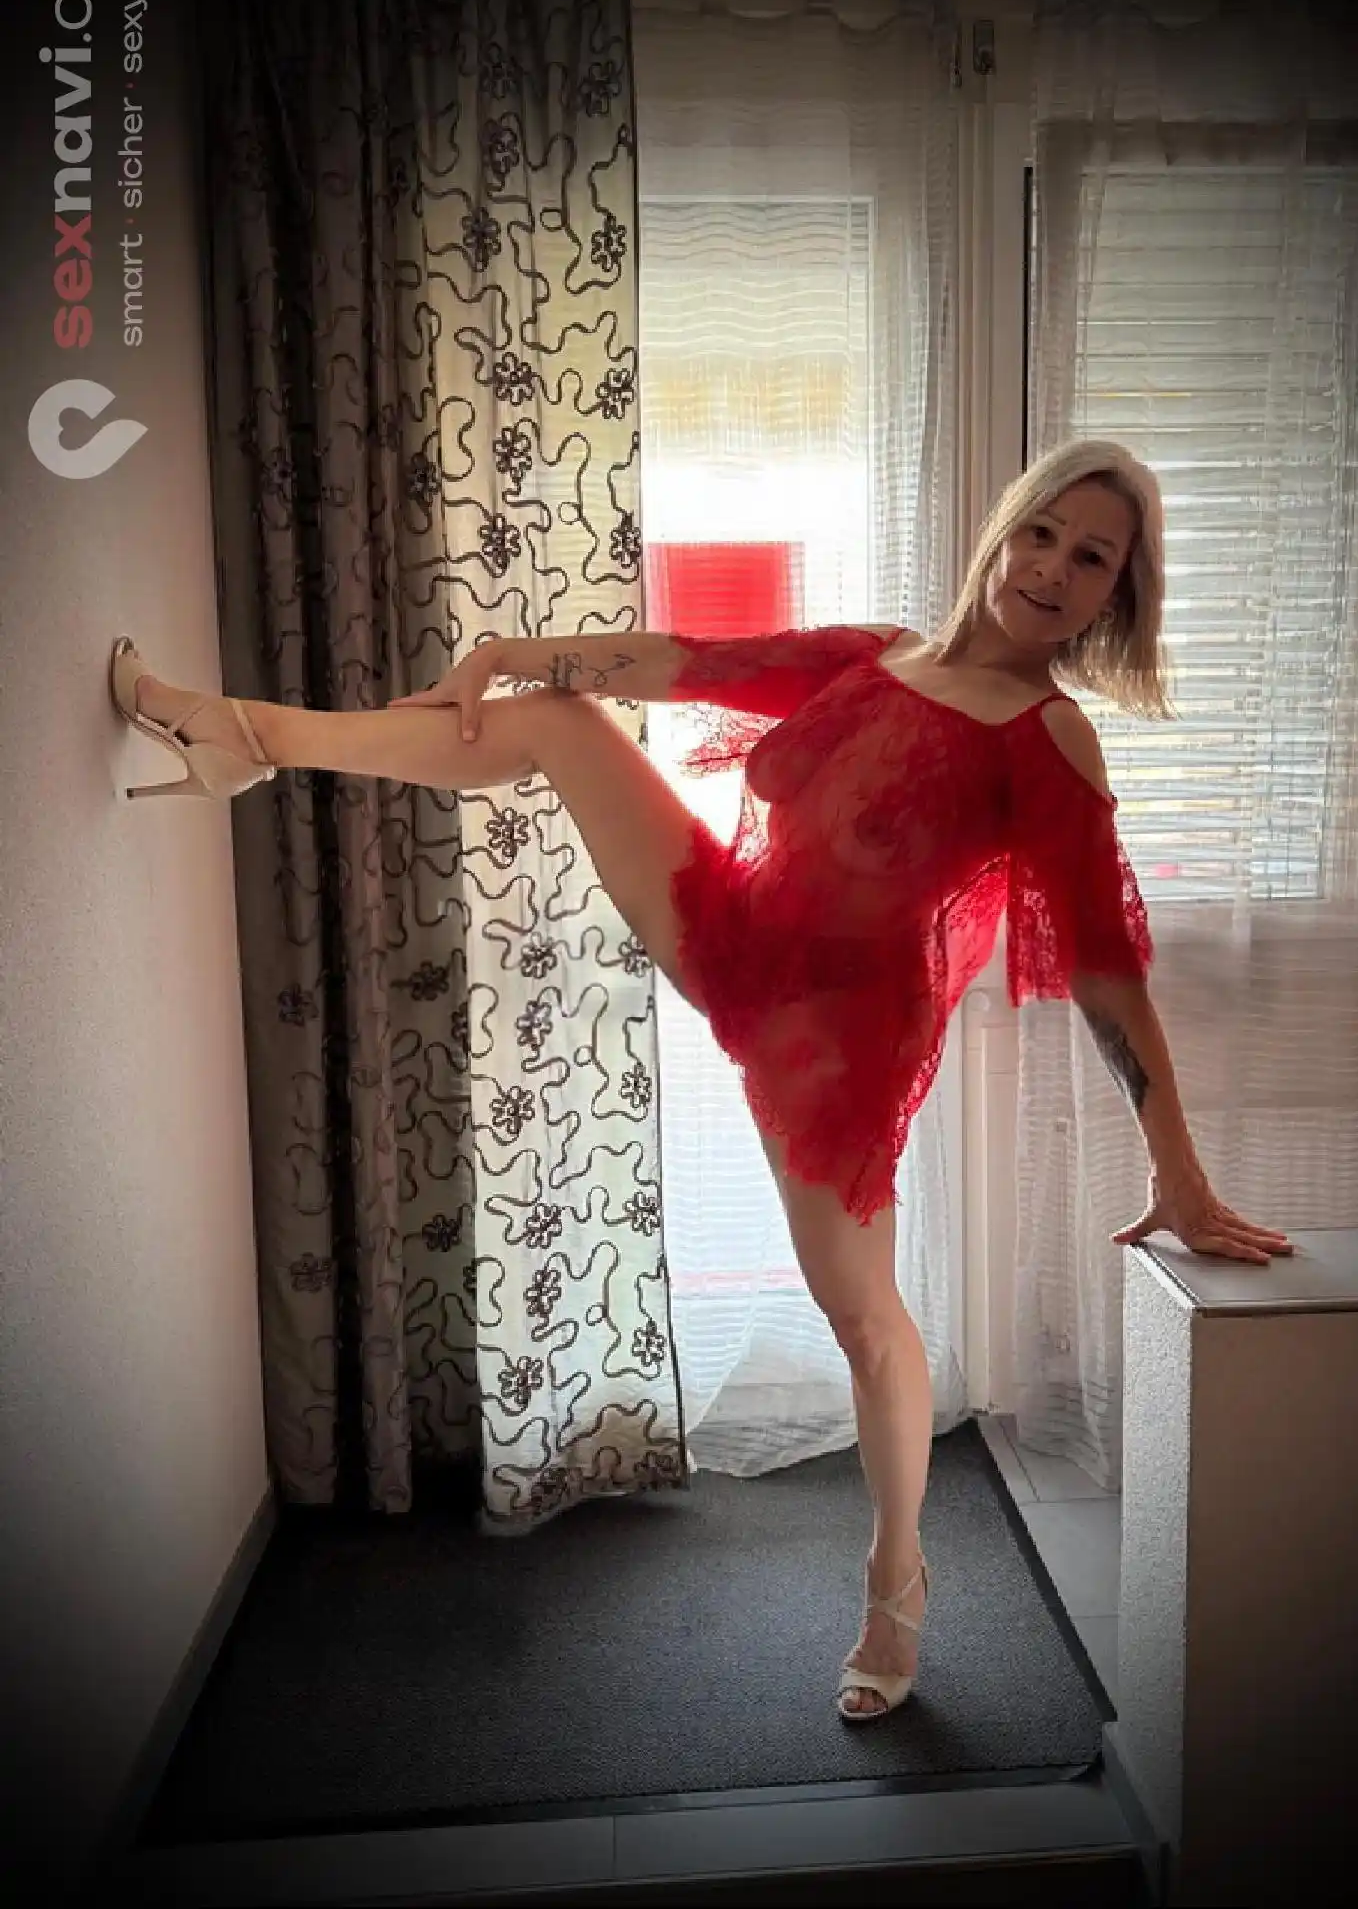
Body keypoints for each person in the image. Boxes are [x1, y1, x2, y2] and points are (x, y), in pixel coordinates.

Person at [109, 435, 1290, 1723]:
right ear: (1004, 533)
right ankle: (247, 735)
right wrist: (512, 653)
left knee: (862, 1320)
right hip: (731, 926)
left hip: (841, 1045)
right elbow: (687, 665)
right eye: (1043, 535)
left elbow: (1110, 973)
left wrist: (1179, 1172)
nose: (1054, 570)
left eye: (1093, 559)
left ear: (1118, 596)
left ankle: (897, 1573)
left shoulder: (1051, 740)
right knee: (554, 721)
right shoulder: (876, 655)